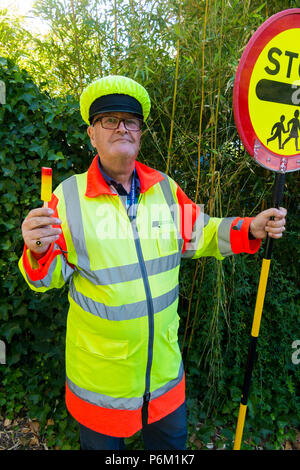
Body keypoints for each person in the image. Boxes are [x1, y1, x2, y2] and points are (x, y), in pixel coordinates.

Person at [19, 75, 287, 451]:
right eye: (109, 120)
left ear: (140, 134)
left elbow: (204, 234)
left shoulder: (163, 187)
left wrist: (252, 228)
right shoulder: (67, 197)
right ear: (91, 134)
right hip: (101, 388)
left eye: (130, 121)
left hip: (164, 382)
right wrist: (35, 250)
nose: (122, 128)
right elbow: (46, 279)